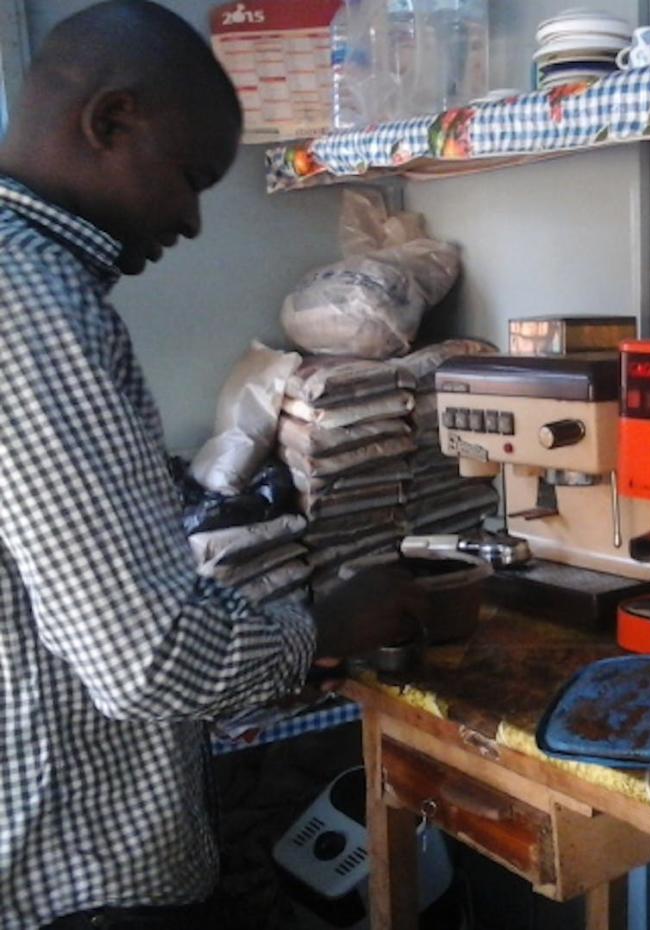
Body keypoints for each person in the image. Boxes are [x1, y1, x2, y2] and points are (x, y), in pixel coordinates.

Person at [0, 3, 427, 928]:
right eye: (190, 179)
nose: (192, 221)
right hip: (77, 879)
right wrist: (327, 625)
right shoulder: (30, 304)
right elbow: (146, 661)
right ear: (109, 121)